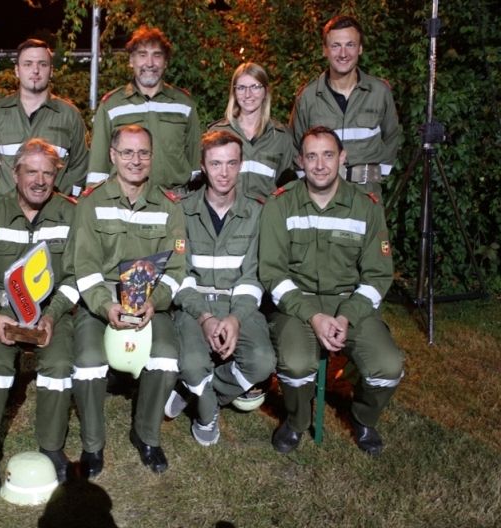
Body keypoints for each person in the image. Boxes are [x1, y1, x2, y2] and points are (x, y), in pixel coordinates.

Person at [259, 126, 403, 456]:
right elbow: (272, 273)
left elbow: (378, 275)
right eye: (311, 156)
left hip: (350, 304)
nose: (320, 165)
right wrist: (313, 316)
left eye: (328, 155)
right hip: (298, 304)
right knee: (296, 365)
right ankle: (297, 420)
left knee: (388, 366)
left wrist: (347, 316)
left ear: (342, 158)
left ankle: (363, 417)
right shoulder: (280, 204)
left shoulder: (366, 206)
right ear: (300, 161)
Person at [71, 124, 185, 476]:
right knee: (88, 360)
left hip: (149, 300)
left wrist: (156, 301)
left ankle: (147, 436)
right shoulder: (91, 202)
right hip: (101, 298)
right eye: (127, 152)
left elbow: (177, 268)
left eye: (143, 153)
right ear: (113, 155)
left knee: (166, 356)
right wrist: (104, 305)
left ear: (152, 156)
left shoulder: (169, 207)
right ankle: (93, 444)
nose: (135, 160)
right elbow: (84, 266)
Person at [0, 139, 79, 496]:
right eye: (31, 171)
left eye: (47, 173)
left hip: (51, 311)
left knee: (59, 364)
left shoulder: (71, 213)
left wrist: (53, 315)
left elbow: (75, 277)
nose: (39, 181)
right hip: (2, 311)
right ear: (14, 173)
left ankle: (51, 446)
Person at [165, 130, 276, 445]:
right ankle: (206, 410)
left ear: (241, 165)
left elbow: (252, 276)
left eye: (231, 163)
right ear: (203, 166)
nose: (224, 172)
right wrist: (205, 318)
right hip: (194, 305)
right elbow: (179, 273)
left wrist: (235, 319)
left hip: (238, 304)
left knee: (262, 362)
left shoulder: (257, 212)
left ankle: (197, 389)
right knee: (191, 363)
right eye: (215, 164)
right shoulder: (181, 210)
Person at [289, 15, 402, 198]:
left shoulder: (379, 92)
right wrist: (309, 184)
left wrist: (379, 174)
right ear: (325, 50)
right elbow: (295, 146)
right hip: (321, 196)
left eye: (350, 45)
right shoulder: (308, 97)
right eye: (335, 46)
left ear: (360, 48)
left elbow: (392, 136)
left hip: (366, 195)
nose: (343, 53)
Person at [87, 26, 201, 191]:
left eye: (157, 55)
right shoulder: (111, 105)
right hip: (125, 200)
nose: (150, 63)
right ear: (131, 61)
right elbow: (98, 167)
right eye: (142, 55)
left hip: (176, 200)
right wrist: (94, 199)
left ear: (166, 62)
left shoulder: (184, 104)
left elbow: (196, 163)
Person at [0, 39, 89, 197]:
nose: (35, 70)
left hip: (55, 207)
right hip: (9, 205)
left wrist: (69, 194)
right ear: (17, 70)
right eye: (28, 64)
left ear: (51, 71)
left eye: (42, 64)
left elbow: (81, 162)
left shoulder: (69, 115)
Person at [209, 62, 296, 201]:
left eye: (255, 87)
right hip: (226, 213)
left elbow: (288, 190)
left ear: (265, 91)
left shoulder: (281, 137)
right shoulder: (216, 134)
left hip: (266, 213)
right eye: (241, 88)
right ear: (234, 92)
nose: (248, 94)